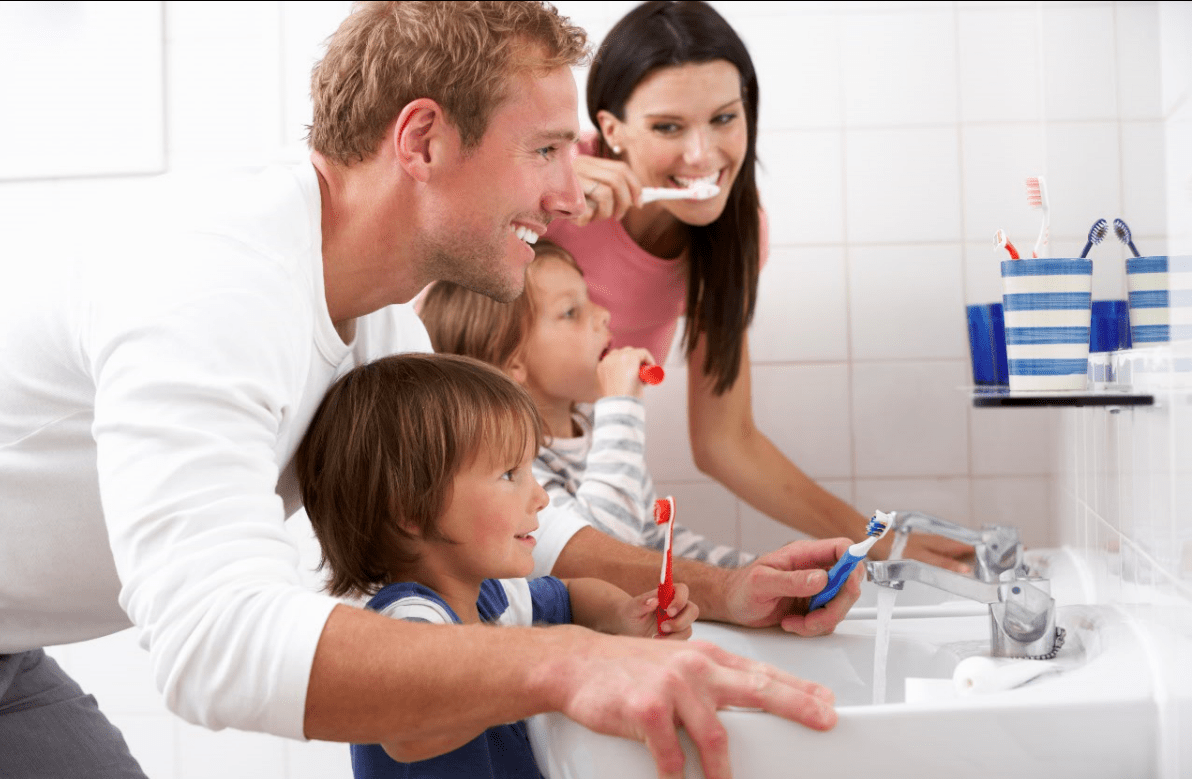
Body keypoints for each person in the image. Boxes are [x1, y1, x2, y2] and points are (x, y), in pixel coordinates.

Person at [0, 4, 851, 779]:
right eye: (545, 150)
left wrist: (724, 590)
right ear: (423, 142)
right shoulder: (215, 286)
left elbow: (522, 517)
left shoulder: (372, 318)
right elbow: (214, 642)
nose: (569, 194)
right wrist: (565, 661)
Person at [546, 0, 972, 571]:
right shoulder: (549, 178)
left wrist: (877, 541)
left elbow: (727, 441)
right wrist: (529, 197)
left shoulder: (737, 234)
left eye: (724, 118)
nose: (703, 155)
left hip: (587, 482)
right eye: (668, 126)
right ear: (610, 129)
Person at [297, 352, 699, 778]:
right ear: (412, 510)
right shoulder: (409, 620)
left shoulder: (490, 597)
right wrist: (562, 677)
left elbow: (571, 595)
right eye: (511, 474)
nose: (541, 497)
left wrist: (624, 614)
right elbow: (415, 724)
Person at [420, 239, 753, 569]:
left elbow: (655, 539)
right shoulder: (512, 464)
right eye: (571, 312)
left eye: (589, 300)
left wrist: (749, 571)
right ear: (513, 363)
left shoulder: (593, 428)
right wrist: (621, 408)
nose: (603, 315)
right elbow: (609, 554)